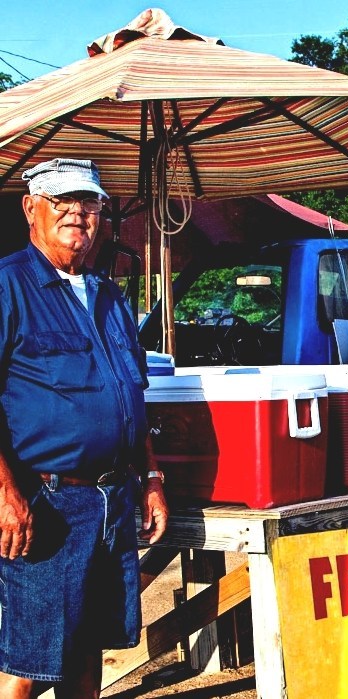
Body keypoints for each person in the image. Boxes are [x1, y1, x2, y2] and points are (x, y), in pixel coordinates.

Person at [0, 158, 168, 698]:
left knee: (88, 646)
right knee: (29, 657)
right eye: (61, 201)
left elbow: (131, 400)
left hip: (112, 499)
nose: (77, 213)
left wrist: (153, 479)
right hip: (44, 499)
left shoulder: (111, 297)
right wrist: (5, 493)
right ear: (30, 208)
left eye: (89, 203)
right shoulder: (8, 286)